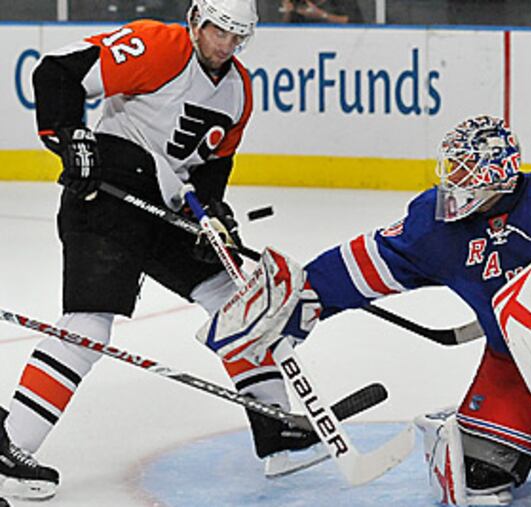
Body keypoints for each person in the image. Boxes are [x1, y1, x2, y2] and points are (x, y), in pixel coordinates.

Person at [201, 115, 531, 506]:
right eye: (450, 167)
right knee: (477, 479)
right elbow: (373, 262)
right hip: (513, 348)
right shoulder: (436, 226)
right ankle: (463, 431)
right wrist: (302, 298)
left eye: (465, 170)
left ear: (499, 173)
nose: (452, 180)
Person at [0, 0, 319, 500]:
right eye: (220, 32)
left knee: (238, 300)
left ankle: (274, 426)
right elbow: (58, 73)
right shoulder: (160, 45)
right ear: (196, 19)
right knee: (88, 324)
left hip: (170, 208)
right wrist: (72, 138)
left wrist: (214, 211)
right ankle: (11, 441)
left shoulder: (239, 90)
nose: (227, 46)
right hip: (108, 195)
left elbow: (212, 172)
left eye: (239, 37)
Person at [279, 0, 364, 24]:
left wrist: (322, 15)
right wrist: (288, 12)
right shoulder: (297, 3)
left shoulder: (342, 2)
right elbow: (283, 34)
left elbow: (355, 22)